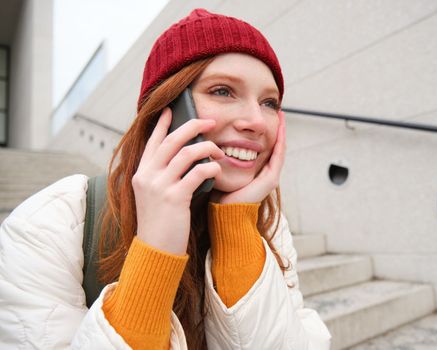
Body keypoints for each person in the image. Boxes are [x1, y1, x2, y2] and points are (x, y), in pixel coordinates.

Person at [0, 8, 331, 350]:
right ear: (166, 108)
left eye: (269, 102)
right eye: (222, 91)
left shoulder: (268, 226)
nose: (257, 122)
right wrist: (156, 250)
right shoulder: (50, 222)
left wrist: (236, 225)